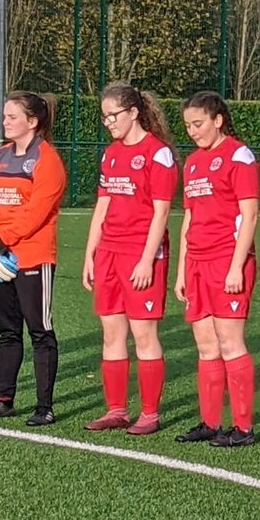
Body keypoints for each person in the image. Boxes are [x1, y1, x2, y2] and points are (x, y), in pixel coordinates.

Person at [82, 82, 178, 436]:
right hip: (109, 252)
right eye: (104, 117)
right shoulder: (111, 153)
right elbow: (103, 205)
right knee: (111, 334)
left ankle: (149, 414)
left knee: (144, 333)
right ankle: (116, 410)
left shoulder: (157, 154)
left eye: (114, 115)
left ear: (134, 112)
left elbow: (162, 211)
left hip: (141, 254)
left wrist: (146, 259)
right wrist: (91, 253)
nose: (109, 122)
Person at [0, 91, 66, 426]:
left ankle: (44, 407)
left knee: (40, 330)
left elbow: (37, 211)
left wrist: (1, 239)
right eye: (5, 116)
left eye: (11, 117)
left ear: (32, 122)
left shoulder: (47, 160)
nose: (4, 122)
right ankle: (2, 399)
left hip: (33, 256)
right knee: (7, 331)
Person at [174, 91, 260, 447]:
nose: (193, 131)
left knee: (230, 343)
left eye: (199, 124)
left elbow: (250, 213)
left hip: (227, 261)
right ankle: (210, 421)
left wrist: (237, 266)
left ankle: (243, 427)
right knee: (206, 345)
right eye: (188, 126)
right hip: (197, 262)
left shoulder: (239, 156)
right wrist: (181, 270)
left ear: (218, 120)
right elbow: (189, 217)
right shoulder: (192, 162)